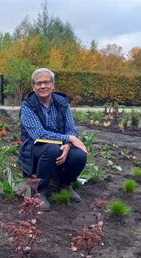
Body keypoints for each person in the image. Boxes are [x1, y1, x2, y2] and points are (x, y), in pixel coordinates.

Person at [17, 68, 88, 212]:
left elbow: (71, 128)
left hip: (60, 146)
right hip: (34, 148)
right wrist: (68, 139)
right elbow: (39, 134)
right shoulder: (28, 106)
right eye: (38, 83)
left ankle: (64, 184)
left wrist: (68, 144)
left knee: (80, 154)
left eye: (46, 82)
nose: (43, 86)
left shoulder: (62, 104)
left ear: (53, 85)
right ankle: (39, 191)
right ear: (34, 87)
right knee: (52, 149)